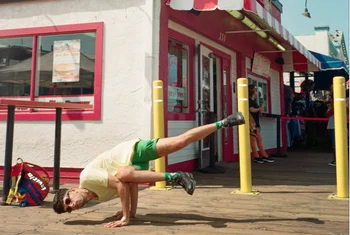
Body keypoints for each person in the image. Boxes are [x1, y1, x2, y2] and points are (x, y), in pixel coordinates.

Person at [52, 112, 245, 228]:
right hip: (133, 168)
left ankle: (225, 122)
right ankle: (176, 176)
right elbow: (130, 185)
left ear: (72, 190)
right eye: (69, 209)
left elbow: (121, 183)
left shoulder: (86, 178)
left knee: (180, 141)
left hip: (134, 151)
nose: (72, 205)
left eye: (68, 200)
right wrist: (131, 213)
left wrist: (126, 217)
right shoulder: (99, 197)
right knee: (124, 177)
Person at [248, 85, 274, 164]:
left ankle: (261, 155)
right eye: (256, 90)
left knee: (258, 139)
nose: (257, 92)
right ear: (252, 91)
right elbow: (251, 110)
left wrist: (260, 110)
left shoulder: (254, 100)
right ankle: (259, 156)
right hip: (252, 123)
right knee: (255, 139)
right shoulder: (249, 101)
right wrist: (260, 108)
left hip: (256, 122)